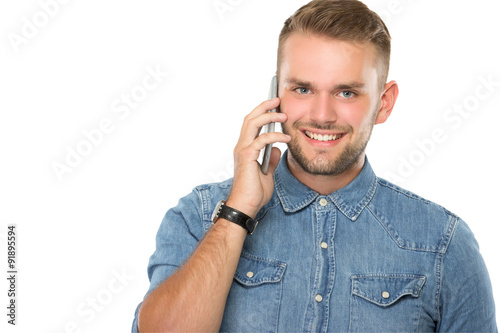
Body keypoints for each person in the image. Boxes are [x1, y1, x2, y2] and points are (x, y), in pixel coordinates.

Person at [132, 0, 497, 331]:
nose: (322, 116)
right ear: (276, 92)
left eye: (346, 92)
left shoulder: (443, 245)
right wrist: (237, 213)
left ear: (383, 103)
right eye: (302, 89)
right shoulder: (199, 218)